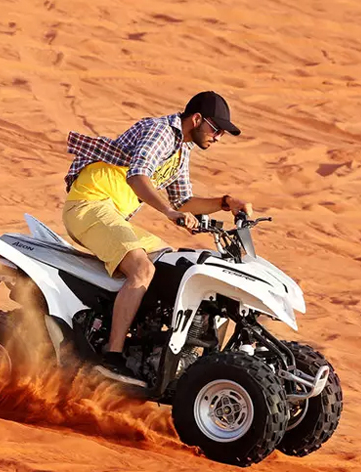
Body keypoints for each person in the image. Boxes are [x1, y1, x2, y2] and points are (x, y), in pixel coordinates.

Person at [62, 91, 253, 378]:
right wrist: (168, 213)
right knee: (141, 269)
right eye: (215, 129)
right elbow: (137, 175)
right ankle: (111, 358)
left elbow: (184, 201)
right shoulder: (162, 133)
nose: (218, 137)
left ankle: (145, 343)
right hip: (89, 204)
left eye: (223, 133)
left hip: (110, 215)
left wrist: (225, 203)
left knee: (170, 266)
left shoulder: (181, 150)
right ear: (196, 119)